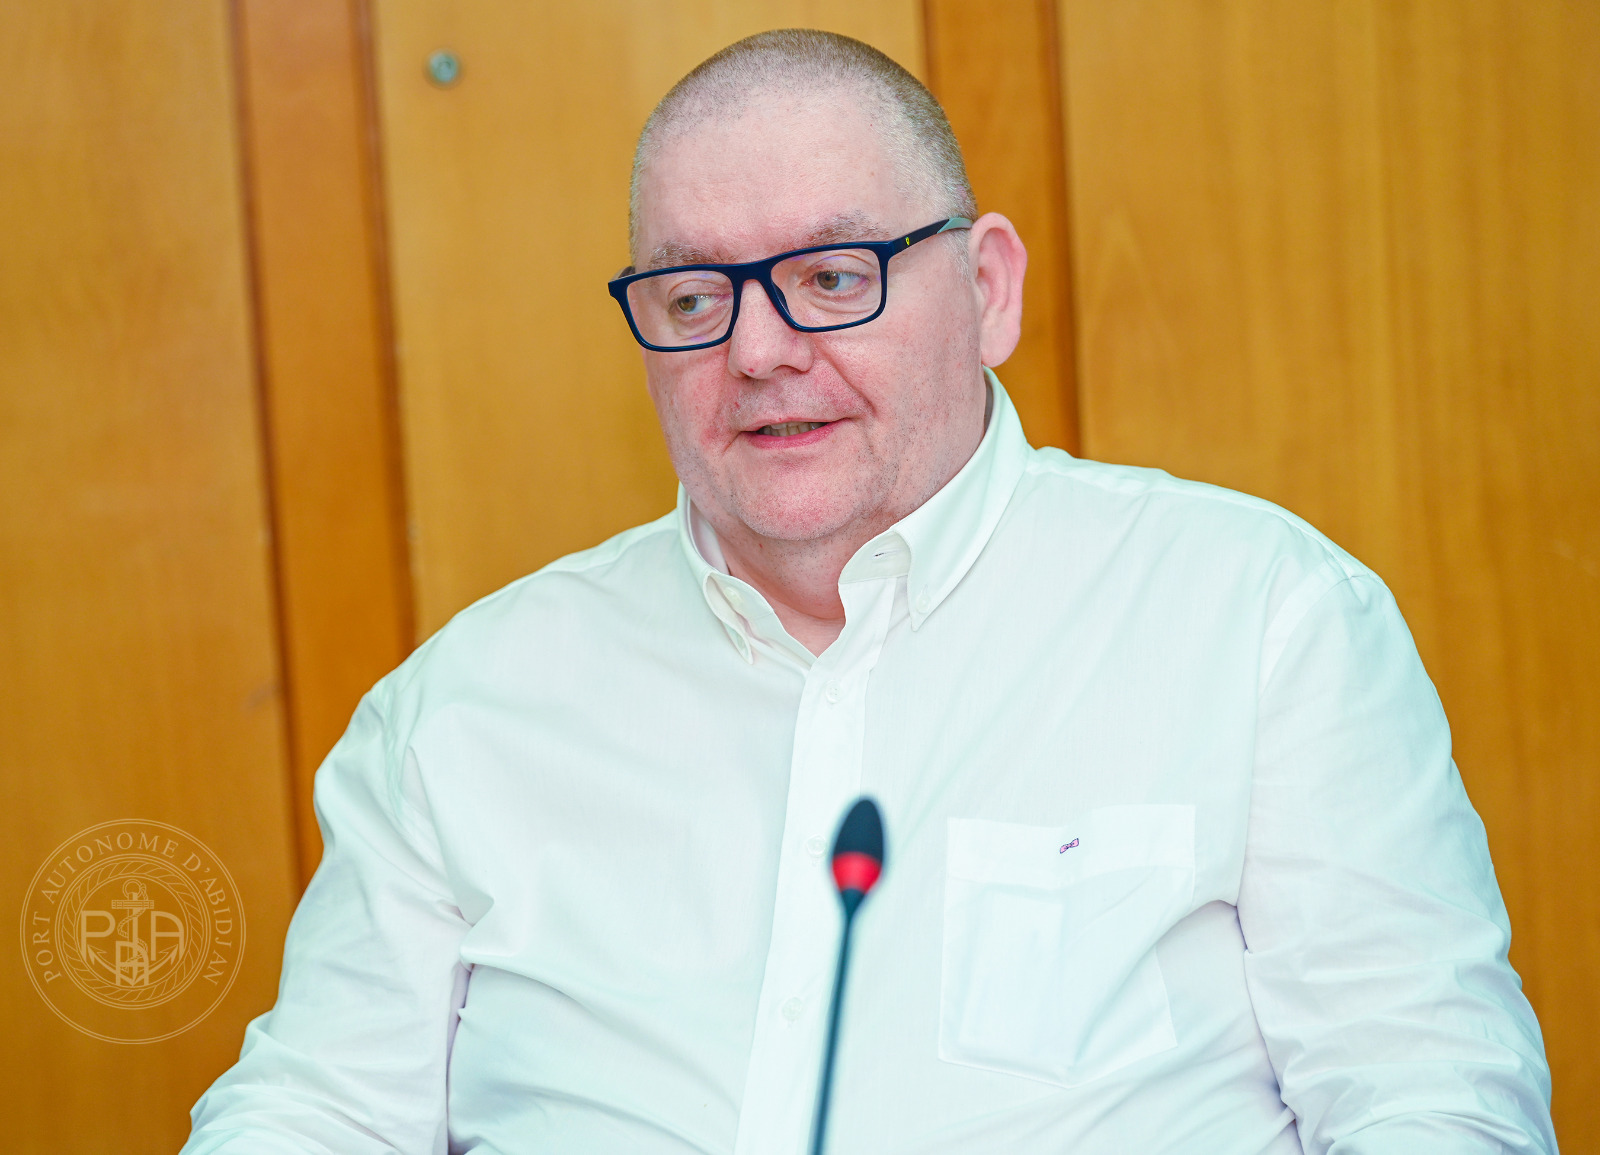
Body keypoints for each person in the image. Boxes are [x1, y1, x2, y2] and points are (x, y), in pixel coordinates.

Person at [184, 29, 1555, 1154]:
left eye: (832, 277)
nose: (760, 351)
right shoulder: (462, 711)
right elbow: (315, 1113)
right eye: (692, 298)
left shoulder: (1261, 623)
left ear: (988, 289)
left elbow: (1430, 1098)